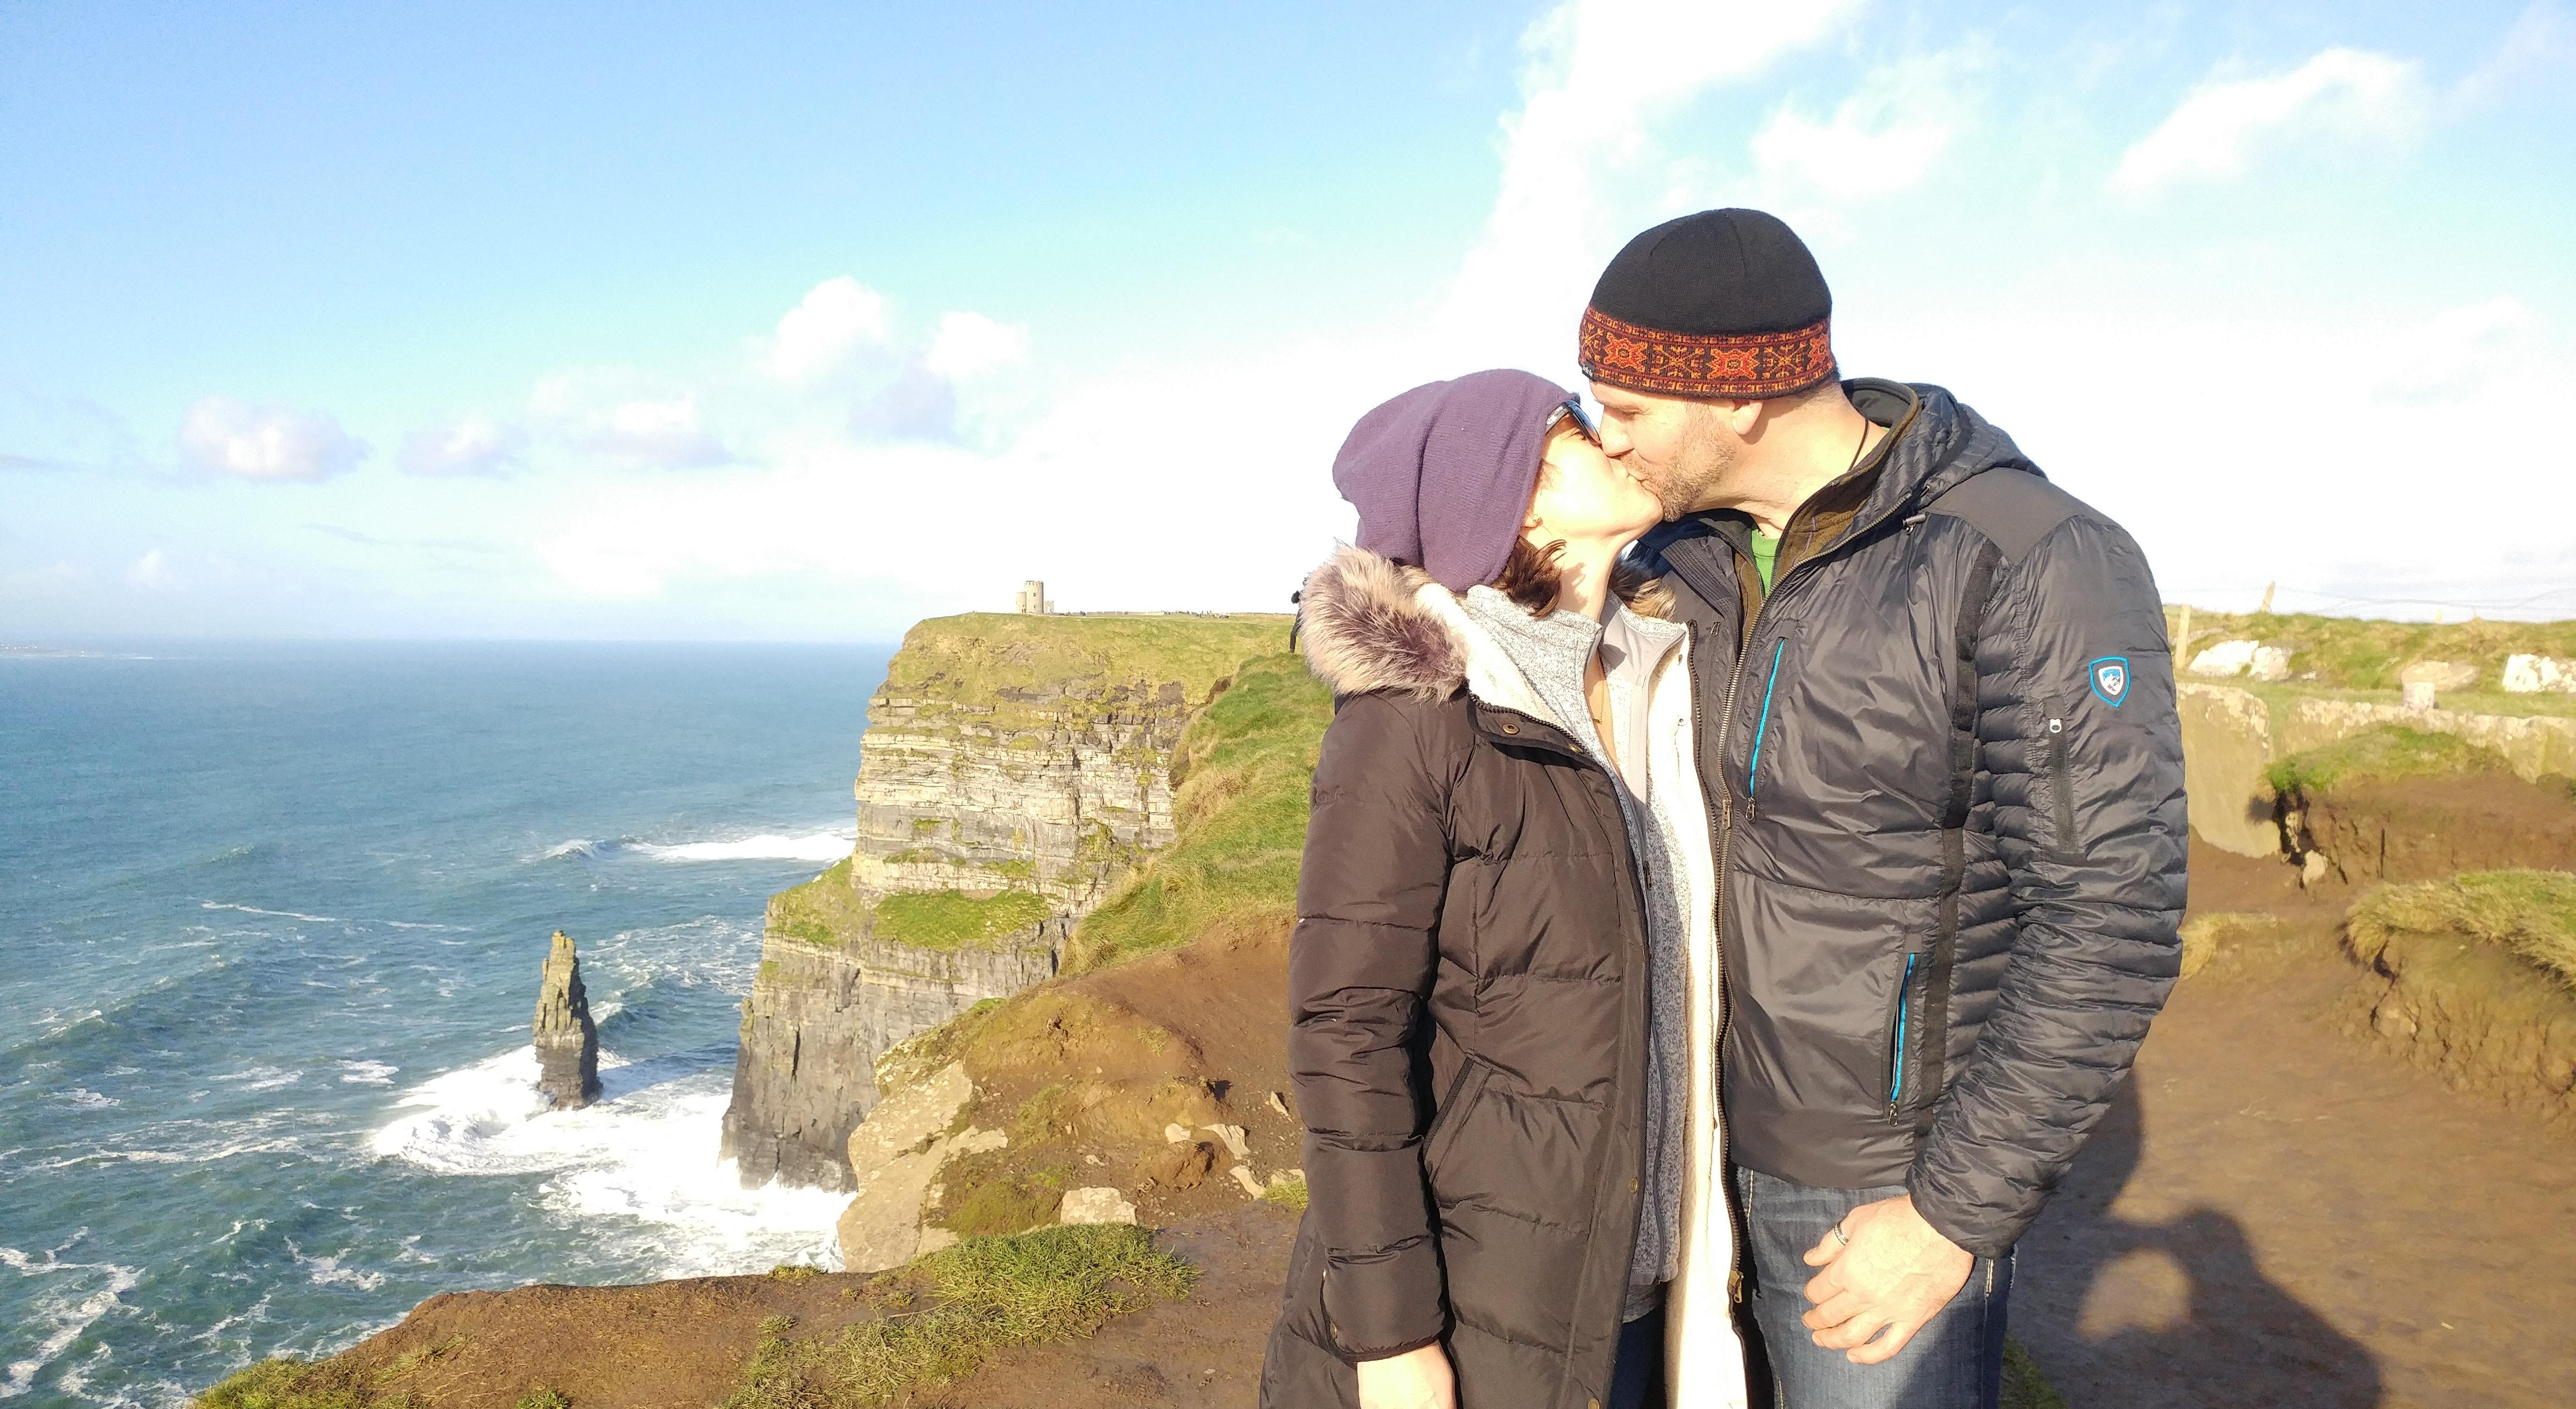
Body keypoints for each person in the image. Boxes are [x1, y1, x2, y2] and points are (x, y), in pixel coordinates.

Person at [1575, 208, 2189, 1409]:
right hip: (1682, 1141)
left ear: (1735, 395)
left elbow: (2109, 918)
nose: (1608, 438)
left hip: (1870, 1185)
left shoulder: (2030, 556)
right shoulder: (1676, 556)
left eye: (1628, 407)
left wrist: (1946, 1214)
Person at [1260, 369, 1751, 1409]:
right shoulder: (1414, 724)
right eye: (1575, 427)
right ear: (1516, 501)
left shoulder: (1661, 678)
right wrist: (1391, 1338)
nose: (1613, 436)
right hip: (1485, 1315)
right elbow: (1347, 1035)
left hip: (1639, 1299)